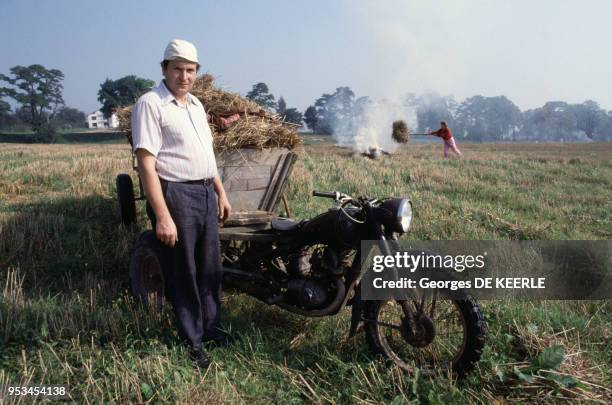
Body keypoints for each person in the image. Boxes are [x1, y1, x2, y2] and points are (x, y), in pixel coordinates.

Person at [131, 39, 232, 369]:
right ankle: (193, 341)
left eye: (190, 70)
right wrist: (162, 216)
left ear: (196, 73)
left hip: (204, 193)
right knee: (183, 271)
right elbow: (146, 163)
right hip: (175, 194)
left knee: (210, 268)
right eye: (177, 69)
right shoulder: (151, 104)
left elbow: (207, 156)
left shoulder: (196, 106)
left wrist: (221, 192)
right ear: (164, 69)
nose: (184, 76)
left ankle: (212, 329)